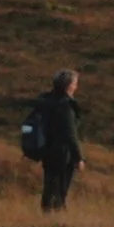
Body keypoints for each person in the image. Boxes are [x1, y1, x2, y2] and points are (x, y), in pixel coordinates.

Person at [33, 70, 89, 211]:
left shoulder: (46, 101)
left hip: (47, 150)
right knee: (60, 191)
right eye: (75, 83)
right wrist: (78, 158)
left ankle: (46, 216)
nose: (76, 87)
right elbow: (70, 134)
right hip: (62, 154)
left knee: (50, 187)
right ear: (69, 86)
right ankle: (56, 219)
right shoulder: (65, 106)